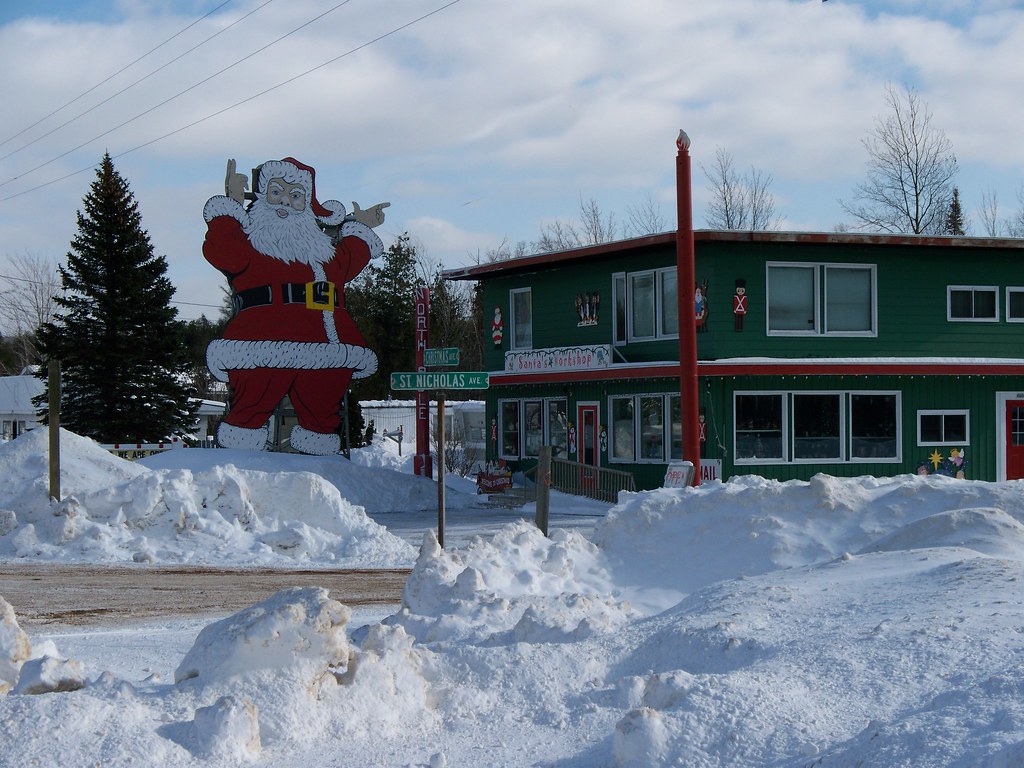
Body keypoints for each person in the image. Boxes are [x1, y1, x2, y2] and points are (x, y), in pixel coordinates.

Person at [203, 157, 389, 455]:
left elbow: (347, 261)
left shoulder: (322, 256)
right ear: (263, 198)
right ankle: (237, 462)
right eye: (276, 192)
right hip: (258, 345)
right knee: (248, 408)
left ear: (308, 206)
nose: (285, 202)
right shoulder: (252, 247)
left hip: (325, 349)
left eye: (296, 195)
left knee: (321, 414)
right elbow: (223, 250)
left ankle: (320, 466)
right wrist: (230, 205)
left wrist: (361, 226)